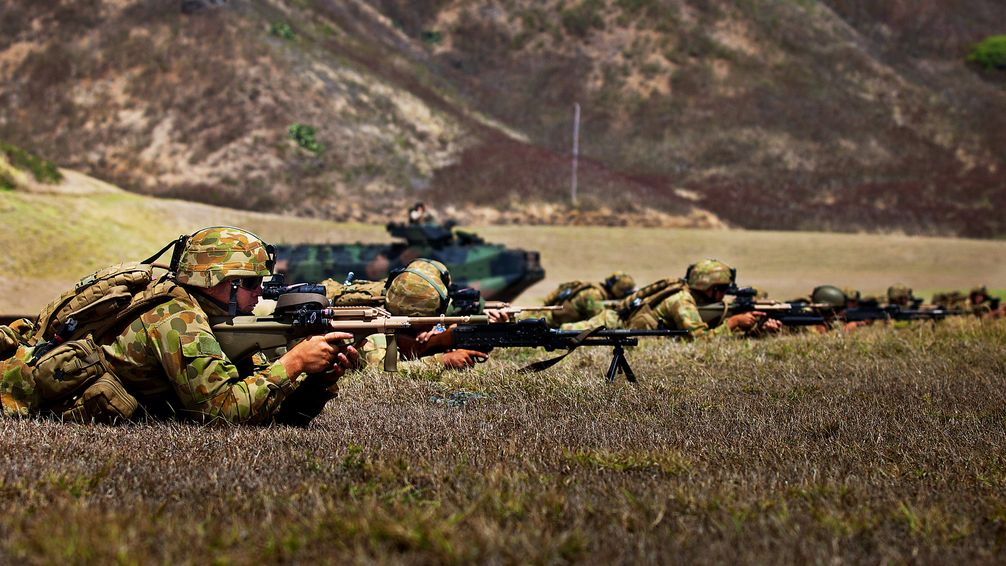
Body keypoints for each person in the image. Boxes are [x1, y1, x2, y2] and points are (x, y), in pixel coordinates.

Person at [1, 226, 361, 425]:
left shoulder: (206, 314)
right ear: (215, 280)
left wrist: (319, 380)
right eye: (250, 283)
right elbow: (221, 412)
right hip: (15, 394)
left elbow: (266, 410)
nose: (258, 293)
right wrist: (293, 363)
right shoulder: (177, 319)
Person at [561, 259, 780, 337]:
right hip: (610, 324)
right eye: (721, 288)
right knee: (559, 334)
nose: (724, 294)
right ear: (708, 286)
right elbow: (701, 340)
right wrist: (733, 323)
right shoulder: (682, 301)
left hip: (614, 322)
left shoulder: (686, 293)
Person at [518, 271, 636, 327]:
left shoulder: (597, 290)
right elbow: (598, 320)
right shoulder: (594, 294)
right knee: (517, 324)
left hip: (552, 319)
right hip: (550, 321)